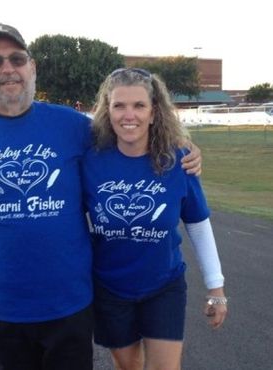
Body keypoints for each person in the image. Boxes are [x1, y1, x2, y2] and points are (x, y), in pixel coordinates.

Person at [0, 23, 202, 370]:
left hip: (70, 302)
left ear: (32, 67)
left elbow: (131, 133)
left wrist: (183, 147)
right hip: (3, 305)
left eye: (17, 59)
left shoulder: (74, 127)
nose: (8, 69)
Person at [82, 68, 227, 370]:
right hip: (109, 289)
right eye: (119, 105)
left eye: (139, 105)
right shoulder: (90, 161)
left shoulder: (178, 161)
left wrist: (216, 289)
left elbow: (198, 224)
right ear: (107, 111)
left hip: (164, 287)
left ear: (153, 112)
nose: (128, 115)